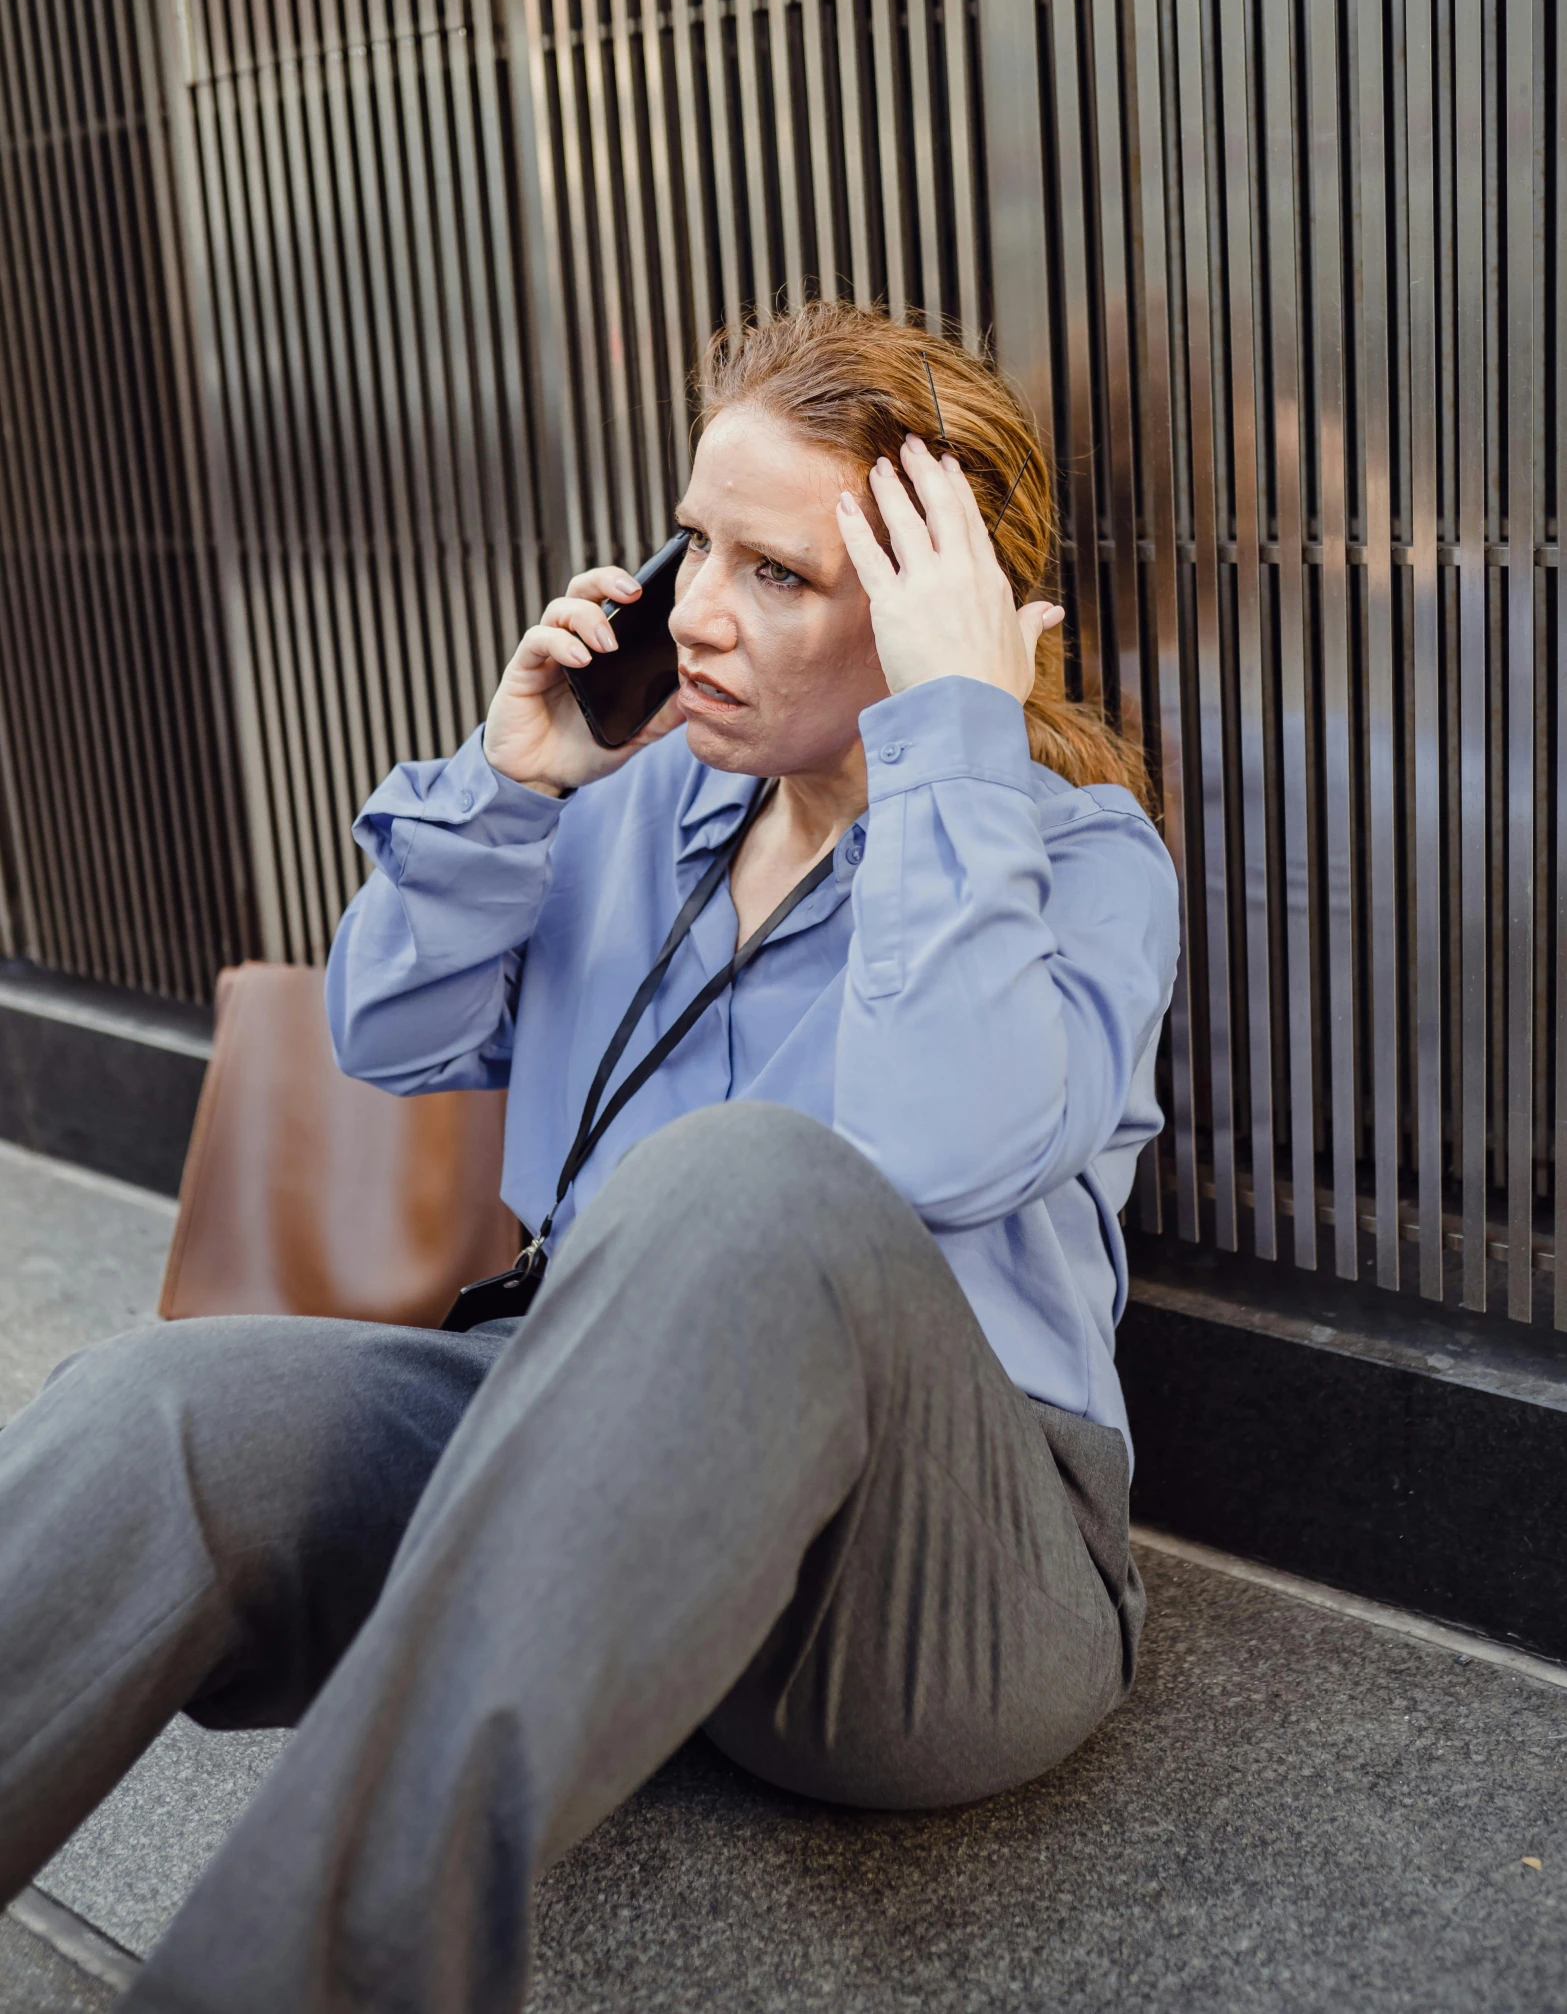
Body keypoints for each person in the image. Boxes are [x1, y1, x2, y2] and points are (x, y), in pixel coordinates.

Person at [0, 303, 1178, 2012]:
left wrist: (948, 745)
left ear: (944, 620)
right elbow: (386, 1041)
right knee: (156, 1413)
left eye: (777, 575)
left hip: (933, 1591)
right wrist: (510, 786)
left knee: (748, 1172)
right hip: (592, 1473)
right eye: (693, 544)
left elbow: (936, 1138)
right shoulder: (635, 804)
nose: (691, 613)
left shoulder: (1076, 857)